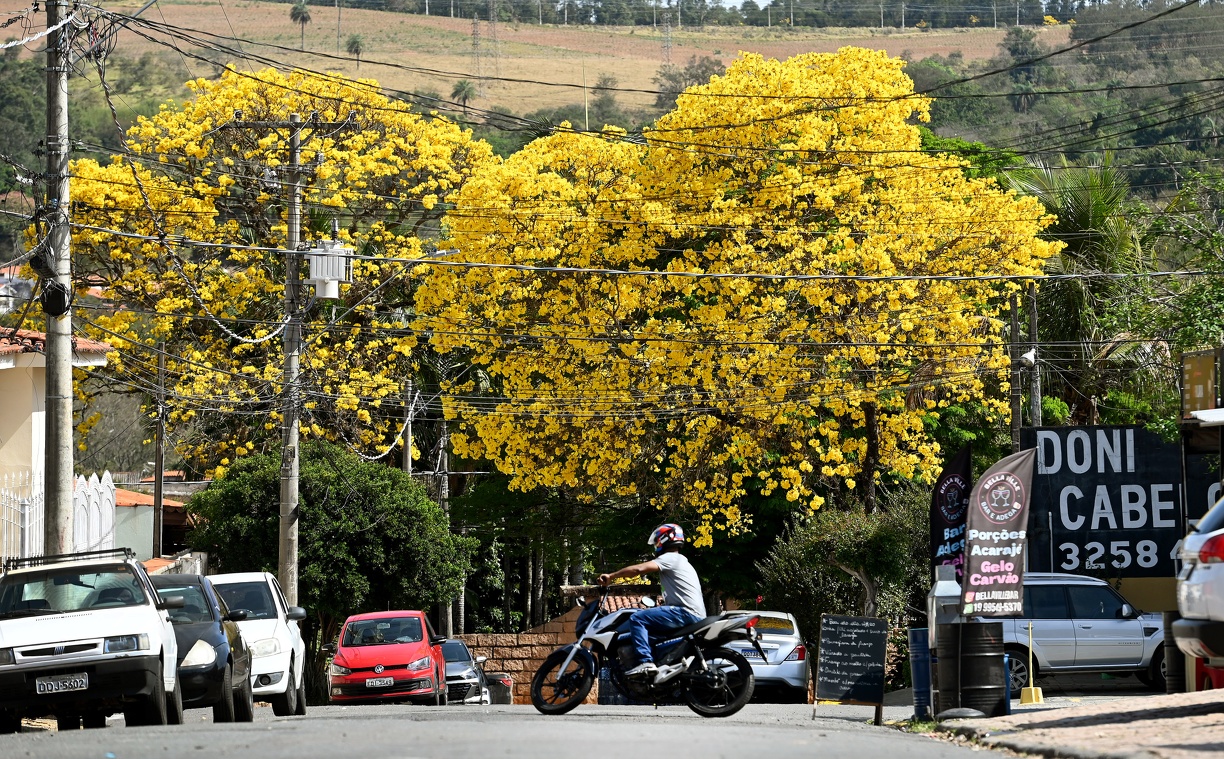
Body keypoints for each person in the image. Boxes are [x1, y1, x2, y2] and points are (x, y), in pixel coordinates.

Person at [597, 523, 707, 678]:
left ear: (664, 540)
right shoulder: (682, 561)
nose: (656, 545)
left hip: (685, 612)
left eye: (657, 541)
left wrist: (611, 576)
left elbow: (639, 570)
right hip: (691, 613)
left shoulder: (670, 558)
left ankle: (645, 662)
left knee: (637, 618)